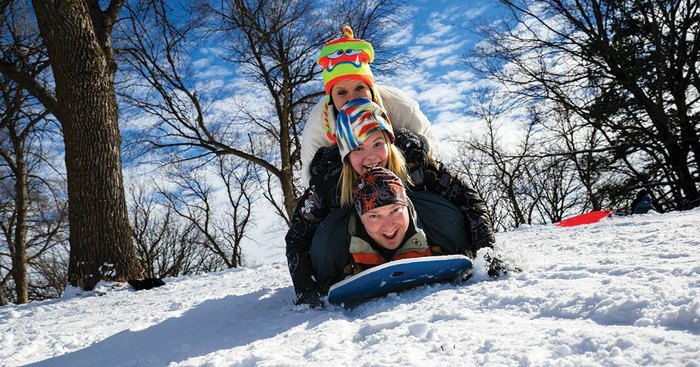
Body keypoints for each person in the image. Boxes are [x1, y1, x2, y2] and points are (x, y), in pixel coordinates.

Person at [286, 97, 496, 307]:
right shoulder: (329, 184)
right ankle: (357, 264)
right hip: (352, 235)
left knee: (432, 205)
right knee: (326, 232)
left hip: (414, 223)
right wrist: (307, 290)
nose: (371, 157)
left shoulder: (415, 164)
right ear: (346, 154)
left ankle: (429, 247)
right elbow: (297, 237)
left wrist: (486, 252)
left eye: (377, 144)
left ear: (389, 143)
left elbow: (468, 199)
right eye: (358, 148)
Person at [300, 25, 435, 187]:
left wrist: (417, 145)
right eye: (341, 92)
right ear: (331, 98)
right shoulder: (318, 126)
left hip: (406, 181)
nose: (352, 98)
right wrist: (323, 167)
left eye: (359, 88)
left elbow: (432, 148)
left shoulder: (399, 106)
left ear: (371, 89)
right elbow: (309, 180)